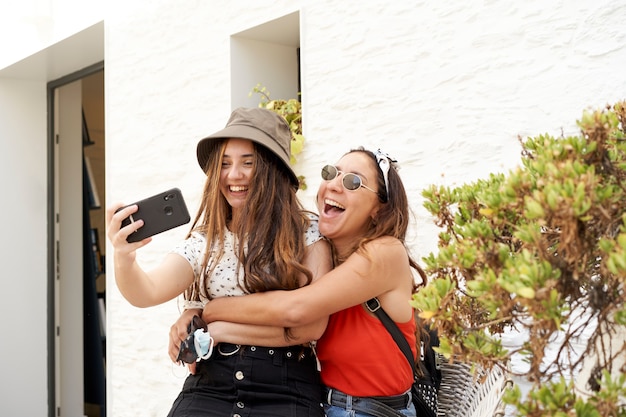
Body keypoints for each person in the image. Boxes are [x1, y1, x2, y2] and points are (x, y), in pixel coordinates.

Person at [107, 107, 333, 417]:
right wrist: (124, 256)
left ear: (272, 169)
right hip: (211, 384)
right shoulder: (205, 242)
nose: (233, 175)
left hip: (287, 385)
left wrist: (220, 328)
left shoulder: (308, 234)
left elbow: (312, 326)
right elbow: (145, 292)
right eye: (224, 164)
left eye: (247, 163)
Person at [171, 146, 426, 417]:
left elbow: (295, 309)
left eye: (353, 182)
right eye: (331, 173)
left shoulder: (384, 253)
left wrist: (210, 310)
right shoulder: (321, 255)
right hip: (327, 406)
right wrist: (197, 316)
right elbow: (278, 317)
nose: (334, 185)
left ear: (379, 209)